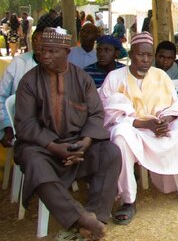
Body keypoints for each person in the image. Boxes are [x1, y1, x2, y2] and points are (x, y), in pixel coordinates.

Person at [14, 28, 121, 240]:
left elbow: (96, 114)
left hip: (79, 146)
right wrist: (54, 146)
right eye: (42, 51)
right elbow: (25, 125)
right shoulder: (28, 81)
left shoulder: (82, 79)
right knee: (33, 162)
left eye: (52, 51)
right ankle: (81, 218)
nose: (45, 56)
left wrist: (86, 142)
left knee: (111, 152)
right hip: (43, 149)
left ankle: (97, 216)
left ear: (67, 52)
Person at [99, 32, 178, 225]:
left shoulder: (160, 76)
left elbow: (174, 105)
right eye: (140, 55)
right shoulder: (115, 78)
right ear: (131, 54)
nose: (145, 59)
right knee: (120, 136)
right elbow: (111, 115)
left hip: (159, 127)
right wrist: (146, 124)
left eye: (149, 55)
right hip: (134, 129)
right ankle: (128, 201)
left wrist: (166, 120)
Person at [0, 29, 42, 148]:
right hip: (21, 126)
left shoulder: (58, 67)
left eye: (42, 40)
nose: (37, 43)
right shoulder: (19, 63)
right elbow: (1, 96)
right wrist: (7, 126)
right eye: (34, 39)